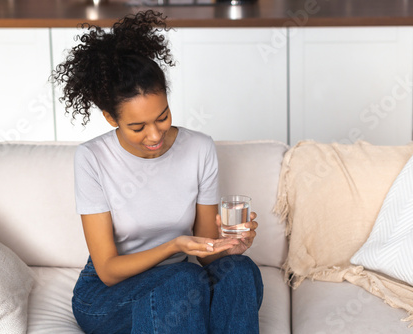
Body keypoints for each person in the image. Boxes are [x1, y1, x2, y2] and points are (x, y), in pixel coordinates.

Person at [51, 10, 263, 334]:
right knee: (183, 278)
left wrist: (227, 248)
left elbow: (204, 248)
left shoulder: (200, 149)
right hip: (108, 297)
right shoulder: (92, 158)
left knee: (240, 271)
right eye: (137, 126)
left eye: (162, 117)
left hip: (179, 283)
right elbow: (107, 269)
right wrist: (175, 246)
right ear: (111, 118)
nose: (154, 135)